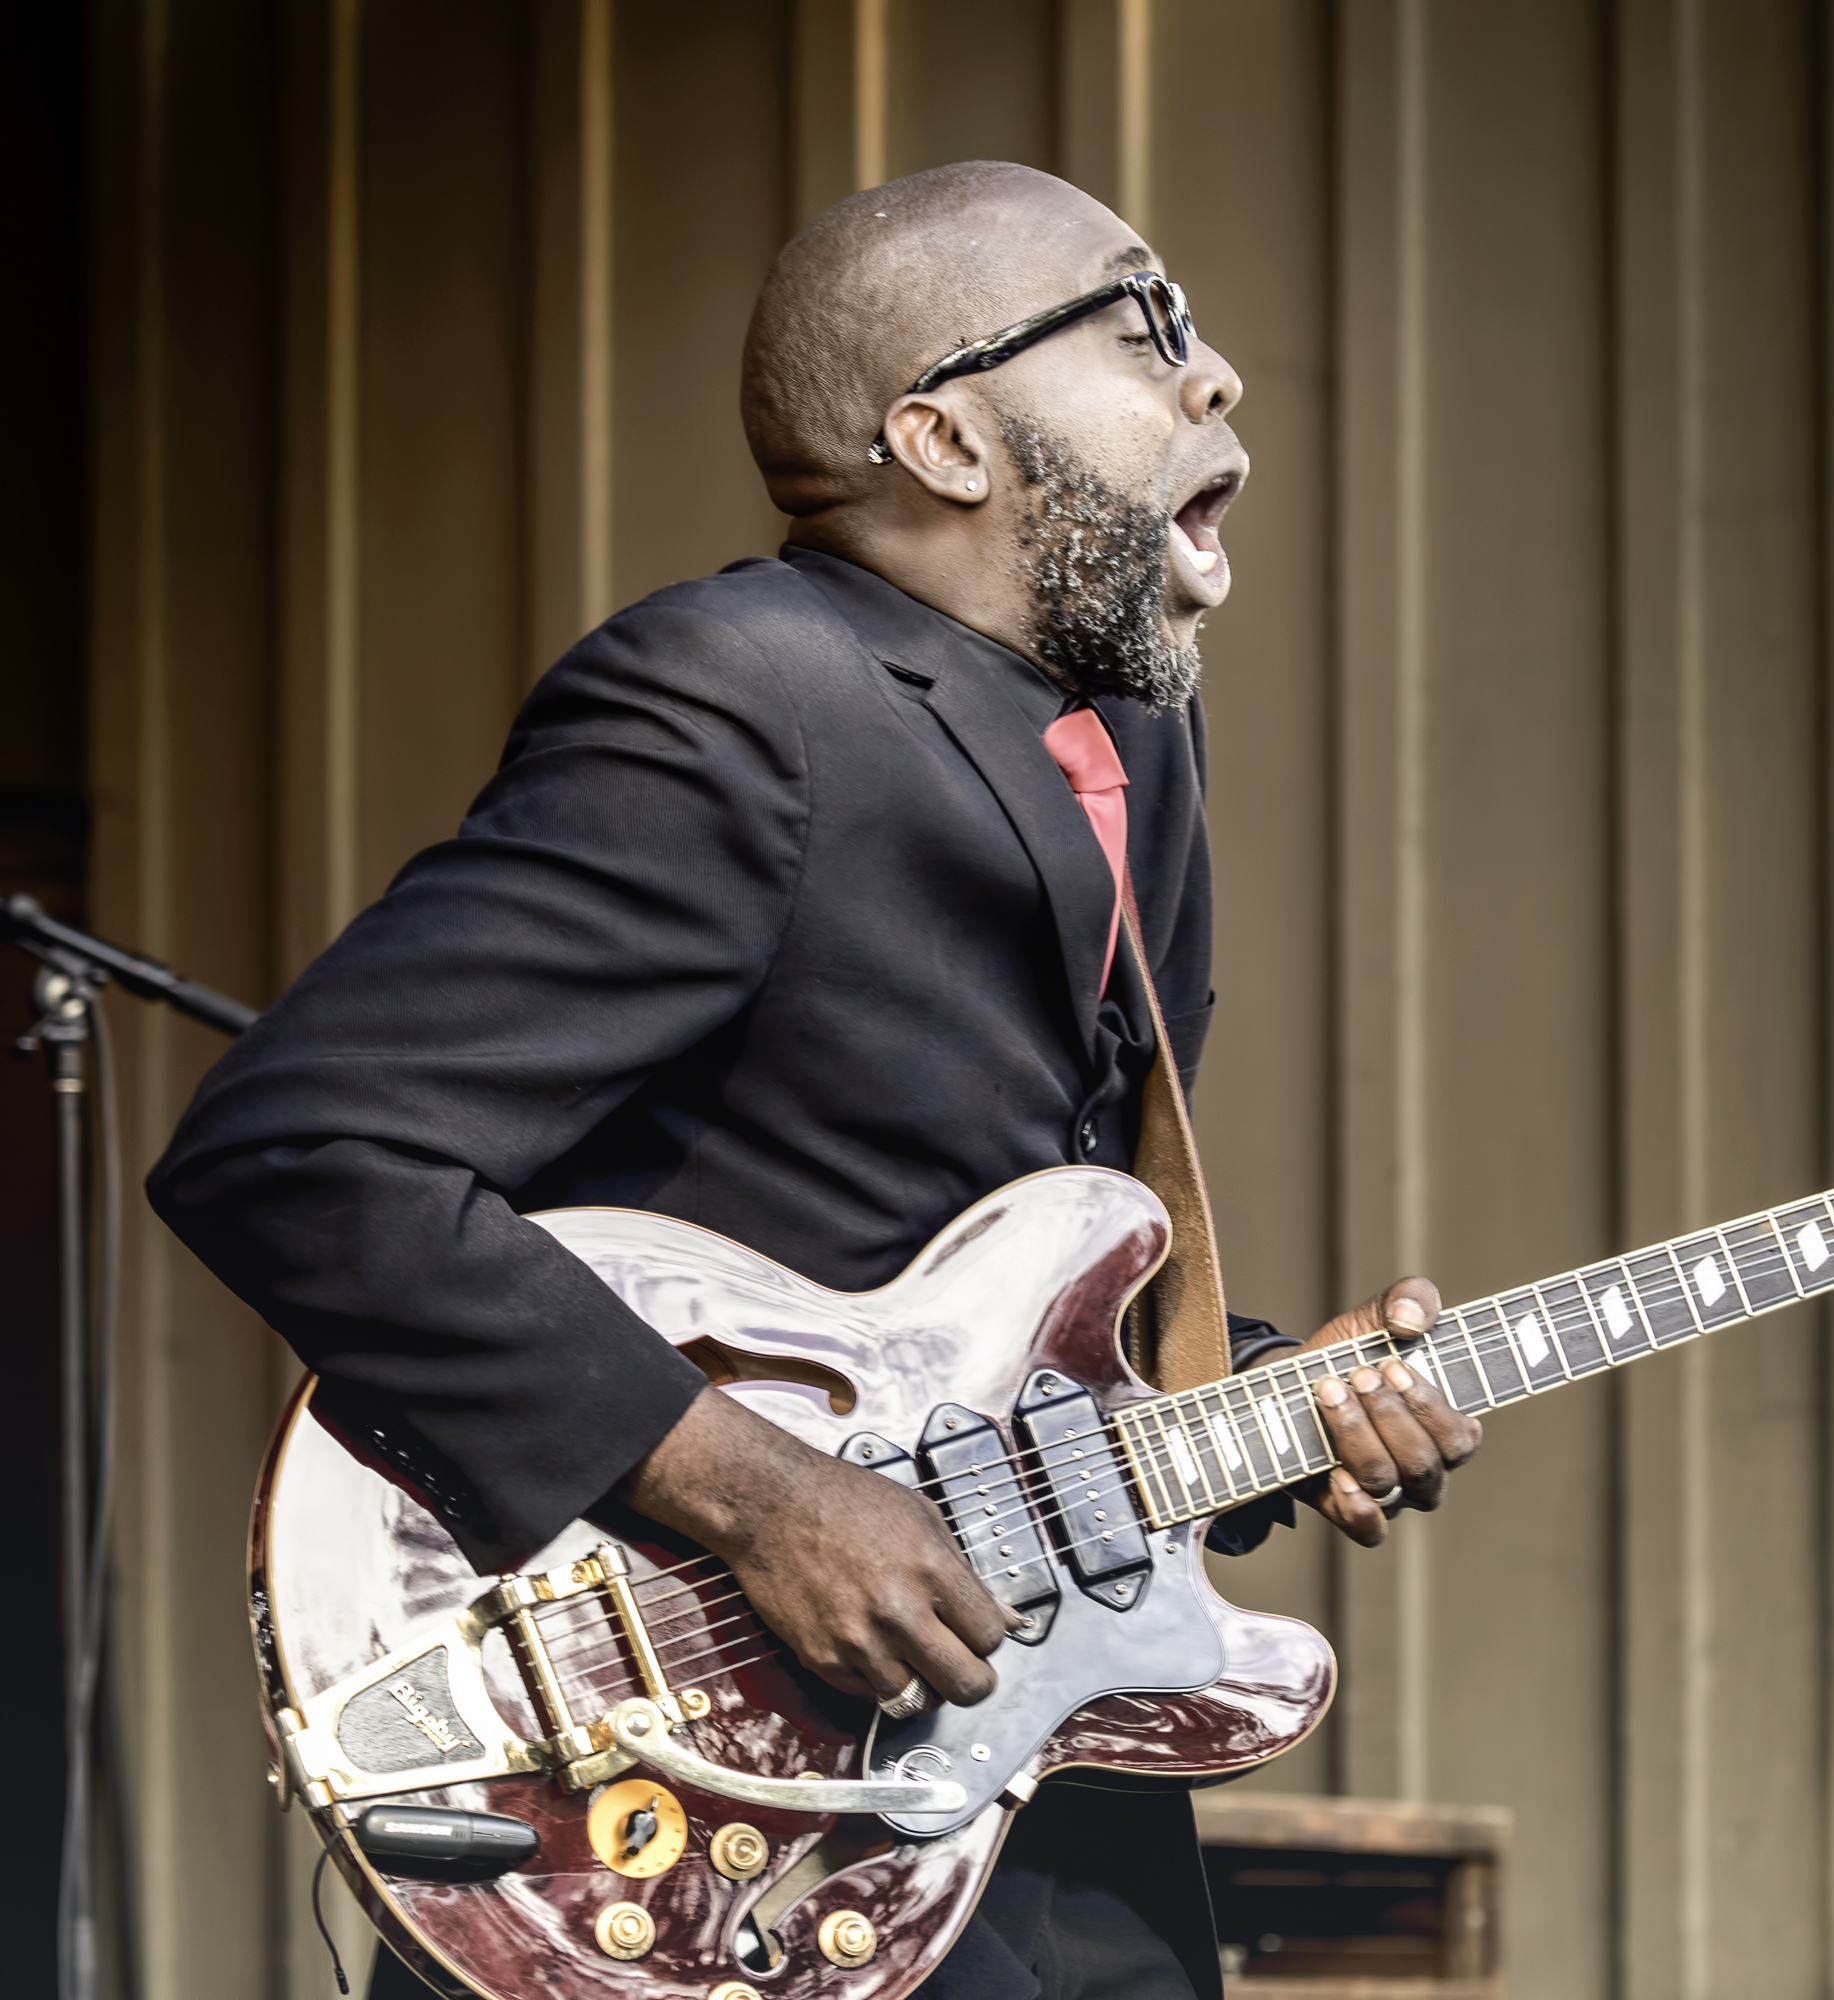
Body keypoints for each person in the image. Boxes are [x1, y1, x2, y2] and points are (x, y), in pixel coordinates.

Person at [150, 159, 1480, 2000]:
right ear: (942, 438)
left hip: (1017, 1764)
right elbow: (300, 1148)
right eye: (1142, 324)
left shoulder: (1128, 742)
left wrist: (1247, 1396)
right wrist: (760, 1501)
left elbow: (970, 1265)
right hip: (706, 1777)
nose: (1217, 375)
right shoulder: (737, 697)